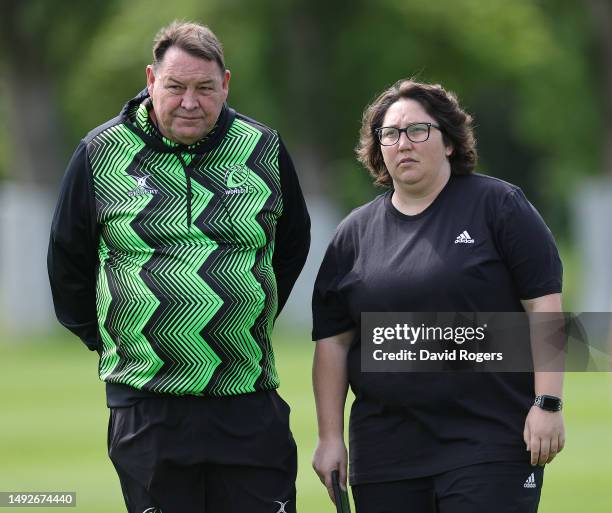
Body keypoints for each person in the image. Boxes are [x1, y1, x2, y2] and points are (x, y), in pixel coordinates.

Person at [48, 20, 310, 513]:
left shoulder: (262, 149)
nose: (190, 102)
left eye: (205, 88)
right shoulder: (100, 153)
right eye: (176, 87)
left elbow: (292, 246)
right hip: (148, 403)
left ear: (226, 84)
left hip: (246, 397)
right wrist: (118, 339)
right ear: (151, 81)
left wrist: (245, 315)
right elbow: (68, 263)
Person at [311, 79, 564, 513]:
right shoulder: (353, 234)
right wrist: (330, 438)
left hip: (489, 444)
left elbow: (545, 306)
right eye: (389, 134)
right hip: (386, 454)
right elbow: (333, 342)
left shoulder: (499, 206)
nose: (402, 143)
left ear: (448, 141)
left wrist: (548, 403)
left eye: (417, 131)